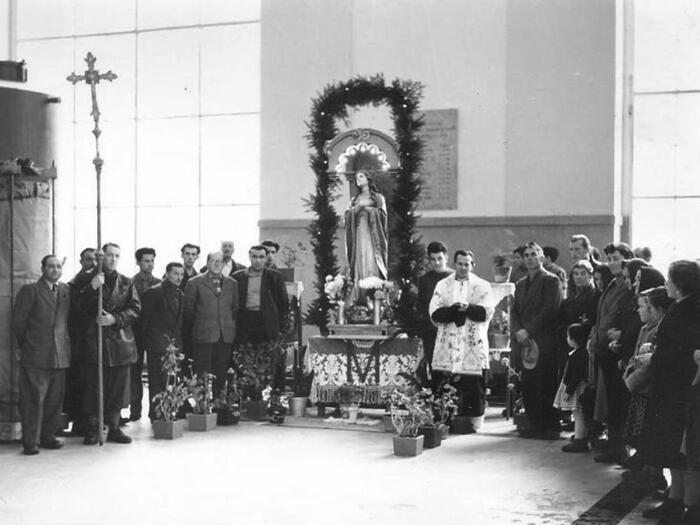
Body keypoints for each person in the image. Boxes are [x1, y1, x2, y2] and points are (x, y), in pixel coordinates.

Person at [642, 261, 700, 523]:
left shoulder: (692, 310)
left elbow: (684, 353)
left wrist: (654, 359)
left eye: (669, 279)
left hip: (682, 390)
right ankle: (675, 499)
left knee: (683, 450)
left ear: (680, 284)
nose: (665, 284)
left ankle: (690, 505)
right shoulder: (680, 306)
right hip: (669, 388)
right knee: (671, 449)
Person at [75, 243, 140, 445]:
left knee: (117, 389)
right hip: (94, 341)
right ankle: (93, 428)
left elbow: (135, 309)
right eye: (109, 255)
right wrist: (91, 288)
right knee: (93, 387)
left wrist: (115, 319)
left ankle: (113, 427)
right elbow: (75, 307)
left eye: (116, 256)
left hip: (120, 342)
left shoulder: (127, 282)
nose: (112, 259)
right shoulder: (84, 279)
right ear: (100, 257)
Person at [429, 250, 495, 433]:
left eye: (467, 264)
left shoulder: (482, 285)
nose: (463, 267)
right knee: (445, 380)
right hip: (448, 343)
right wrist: (453, 309)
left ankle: (475, 422)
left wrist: (468, 308)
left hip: (471, 343)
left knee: (473, 382)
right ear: (454, 264)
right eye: (460, 263)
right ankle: (445, 419)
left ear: (473, 265)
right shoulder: (442, 285)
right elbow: (434, 312)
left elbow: (487, 311)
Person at [12, 255, 71, 455]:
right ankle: (30, 441)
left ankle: (48, 436)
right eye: (51, 266)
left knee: (55, 399)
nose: (55, 270)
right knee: (32, 400)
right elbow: (19, 324)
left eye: (58, 266)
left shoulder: (65, 291)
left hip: (60, 355)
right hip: (36, 354)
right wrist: (28, 346)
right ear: (43, 268)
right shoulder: (30, 291)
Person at [588, 243, 635, 463]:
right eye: (609, 259)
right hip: (604, 348)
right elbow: (602, 317)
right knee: (612, 402)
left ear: (627, 258)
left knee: (619, 402)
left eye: (616, 258)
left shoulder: (627, 285)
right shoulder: (612, 284)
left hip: (616, 348)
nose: (612, 263)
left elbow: (618, 318)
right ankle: (615, 445)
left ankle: (620, 448)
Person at [511, 242, 562, 439]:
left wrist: (528, 330)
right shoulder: (521, 283)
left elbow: (550, 310)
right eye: (527, 255)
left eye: (534, 254)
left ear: (541, 258)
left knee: (546, 383)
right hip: (524, 341)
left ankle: (551, 427)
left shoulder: (552, 280)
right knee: (529, 385)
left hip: (543, 340)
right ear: (523, 259)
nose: (530, 258)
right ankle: (534, 425)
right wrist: (518, 331)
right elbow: (514, 312)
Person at [621, 286, 669, 486]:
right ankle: (646, 467)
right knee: (641, 431)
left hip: (647, 387)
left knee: (650, 433)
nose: (641, 310)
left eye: (645, 306)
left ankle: (653, 473)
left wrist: (632, 378)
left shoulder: (659, 329)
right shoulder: (644, 329)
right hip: (640, 387)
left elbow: (650, 365)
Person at [233, 245, 289, 390]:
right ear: (249, 257)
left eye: (261, 257)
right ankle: (246, 393)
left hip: (267, 323)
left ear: (266, 258)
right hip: (245, 322)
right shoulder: (238, 277)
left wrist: (281, 328)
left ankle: (271, 393)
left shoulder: (274, 277)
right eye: (254, 257)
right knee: (245, 359)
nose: (257, 260)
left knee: (268, 360)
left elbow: (283, 304)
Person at [184, 251, 239, 396]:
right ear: (207, 263)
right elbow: (188, 312)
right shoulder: (194, 282)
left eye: (219, 261)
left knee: (221, 375)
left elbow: (235, 309)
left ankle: (218, 406)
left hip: (225, 337)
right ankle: (201, 408)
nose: (216, 264)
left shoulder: (232, 283)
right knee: (201, 374)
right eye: (213, 261)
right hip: (203, 337)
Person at [140, 262, 184, 421]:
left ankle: (168, 411)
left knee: (171, 381)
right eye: (175, 273)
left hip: (173, 346)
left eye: (181, 274)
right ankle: (156, 414)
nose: (178, 277)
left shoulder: (181, 294)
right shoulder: (154, 292)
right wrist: (150, 343)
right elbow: (144, 320)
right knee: (157, 382)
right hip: (156, 345)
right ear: (167, 273)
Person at [64, 247, 97, 436]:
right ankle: (80, 422)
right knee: (80, 383)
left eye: (94, 260)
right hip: (80, 341)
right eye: (87, 259)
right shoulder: (76, 283)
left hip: (93, 340)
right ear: (81, 261)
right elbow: (77, 310)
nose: (91, 263)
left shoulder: (97, 280)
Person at [344, 171, 388, 303]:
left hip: (372, 237)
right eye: (356, 177)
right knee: (359, 261)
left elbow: (383, 215)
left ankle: (373, 296)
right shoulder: (354, 200)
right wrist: (355, 210)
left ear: (368, 179)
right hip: (358, 235)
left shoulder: (378, 198)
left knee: (371, 261)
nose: (358, 179)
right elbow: (346, 216)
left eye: (361, 176)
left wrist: (370, 210)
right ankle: (359, 297)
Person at [129, 247, 161, 422]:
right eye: (146, 261)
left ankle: (156, 409)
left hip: (155, 333)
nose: (149, 264)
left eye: (152, 260)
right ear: (138, 262)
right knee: (135, 371)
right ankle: (135, 409)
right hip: (136, 332)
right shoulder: (130, 283)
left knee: (156, 372)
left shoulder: (160, 282)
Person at [417, 241, 453, 383]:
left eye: (440, 258)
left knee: (452, 371)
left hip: (451, 331)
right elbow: (422, 306)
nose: (437, 263)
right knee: (435, 369)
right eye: (433, 259)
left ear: (446, 258)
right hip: (431, 333)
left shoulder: (455, 277)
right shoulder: (424, 280)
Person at [554, 323, 590, 453]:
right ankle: (582, 435)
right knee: (580, 414)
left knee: (577, 414)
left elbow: (575, 376)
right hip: (577, 387)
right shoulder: (581, 353)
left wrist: (568, 391)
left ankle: (580, 440)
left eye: (568, 336)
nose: (567, 339)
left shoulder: (578, 355)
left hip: (575, 389)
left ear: (573, 339)